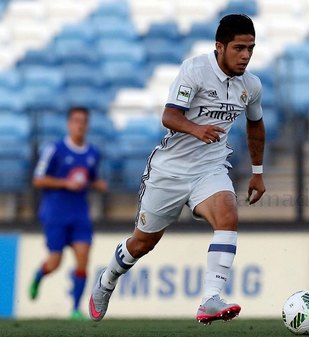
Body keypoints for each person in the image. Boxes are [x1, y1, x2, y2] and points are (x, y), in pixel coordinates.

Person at [88, 13, 266, 324]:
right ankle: (108, 279)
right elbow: (169, 116)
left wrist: (258, 171)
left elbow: (256, 123)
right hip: (170, 171)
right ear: (219, 47)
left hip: (209, 167)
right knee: (142, 243)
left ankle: (210, 298)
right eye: (239, 48)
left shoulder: (251, 85)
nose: (246, 56)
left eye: (251, 48)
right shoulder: (195, 70)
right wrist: (196, 129)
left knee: (228, 215)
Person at [30, 106, 108, 320]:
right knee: (55, 262)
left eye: (83, 121)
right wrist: (65, 183)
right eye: (76, 121)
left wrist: (97, 183)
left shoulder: (93, 153)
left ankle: (75, 309)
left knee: (83, 258)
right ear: (69, 124)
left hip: (80, 214)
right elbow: (38, 179)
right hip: (55, 212)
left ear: (87, 125)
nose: (80, 125)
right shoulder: (54, 149)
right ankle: (39, 275)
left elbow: (89, 178)